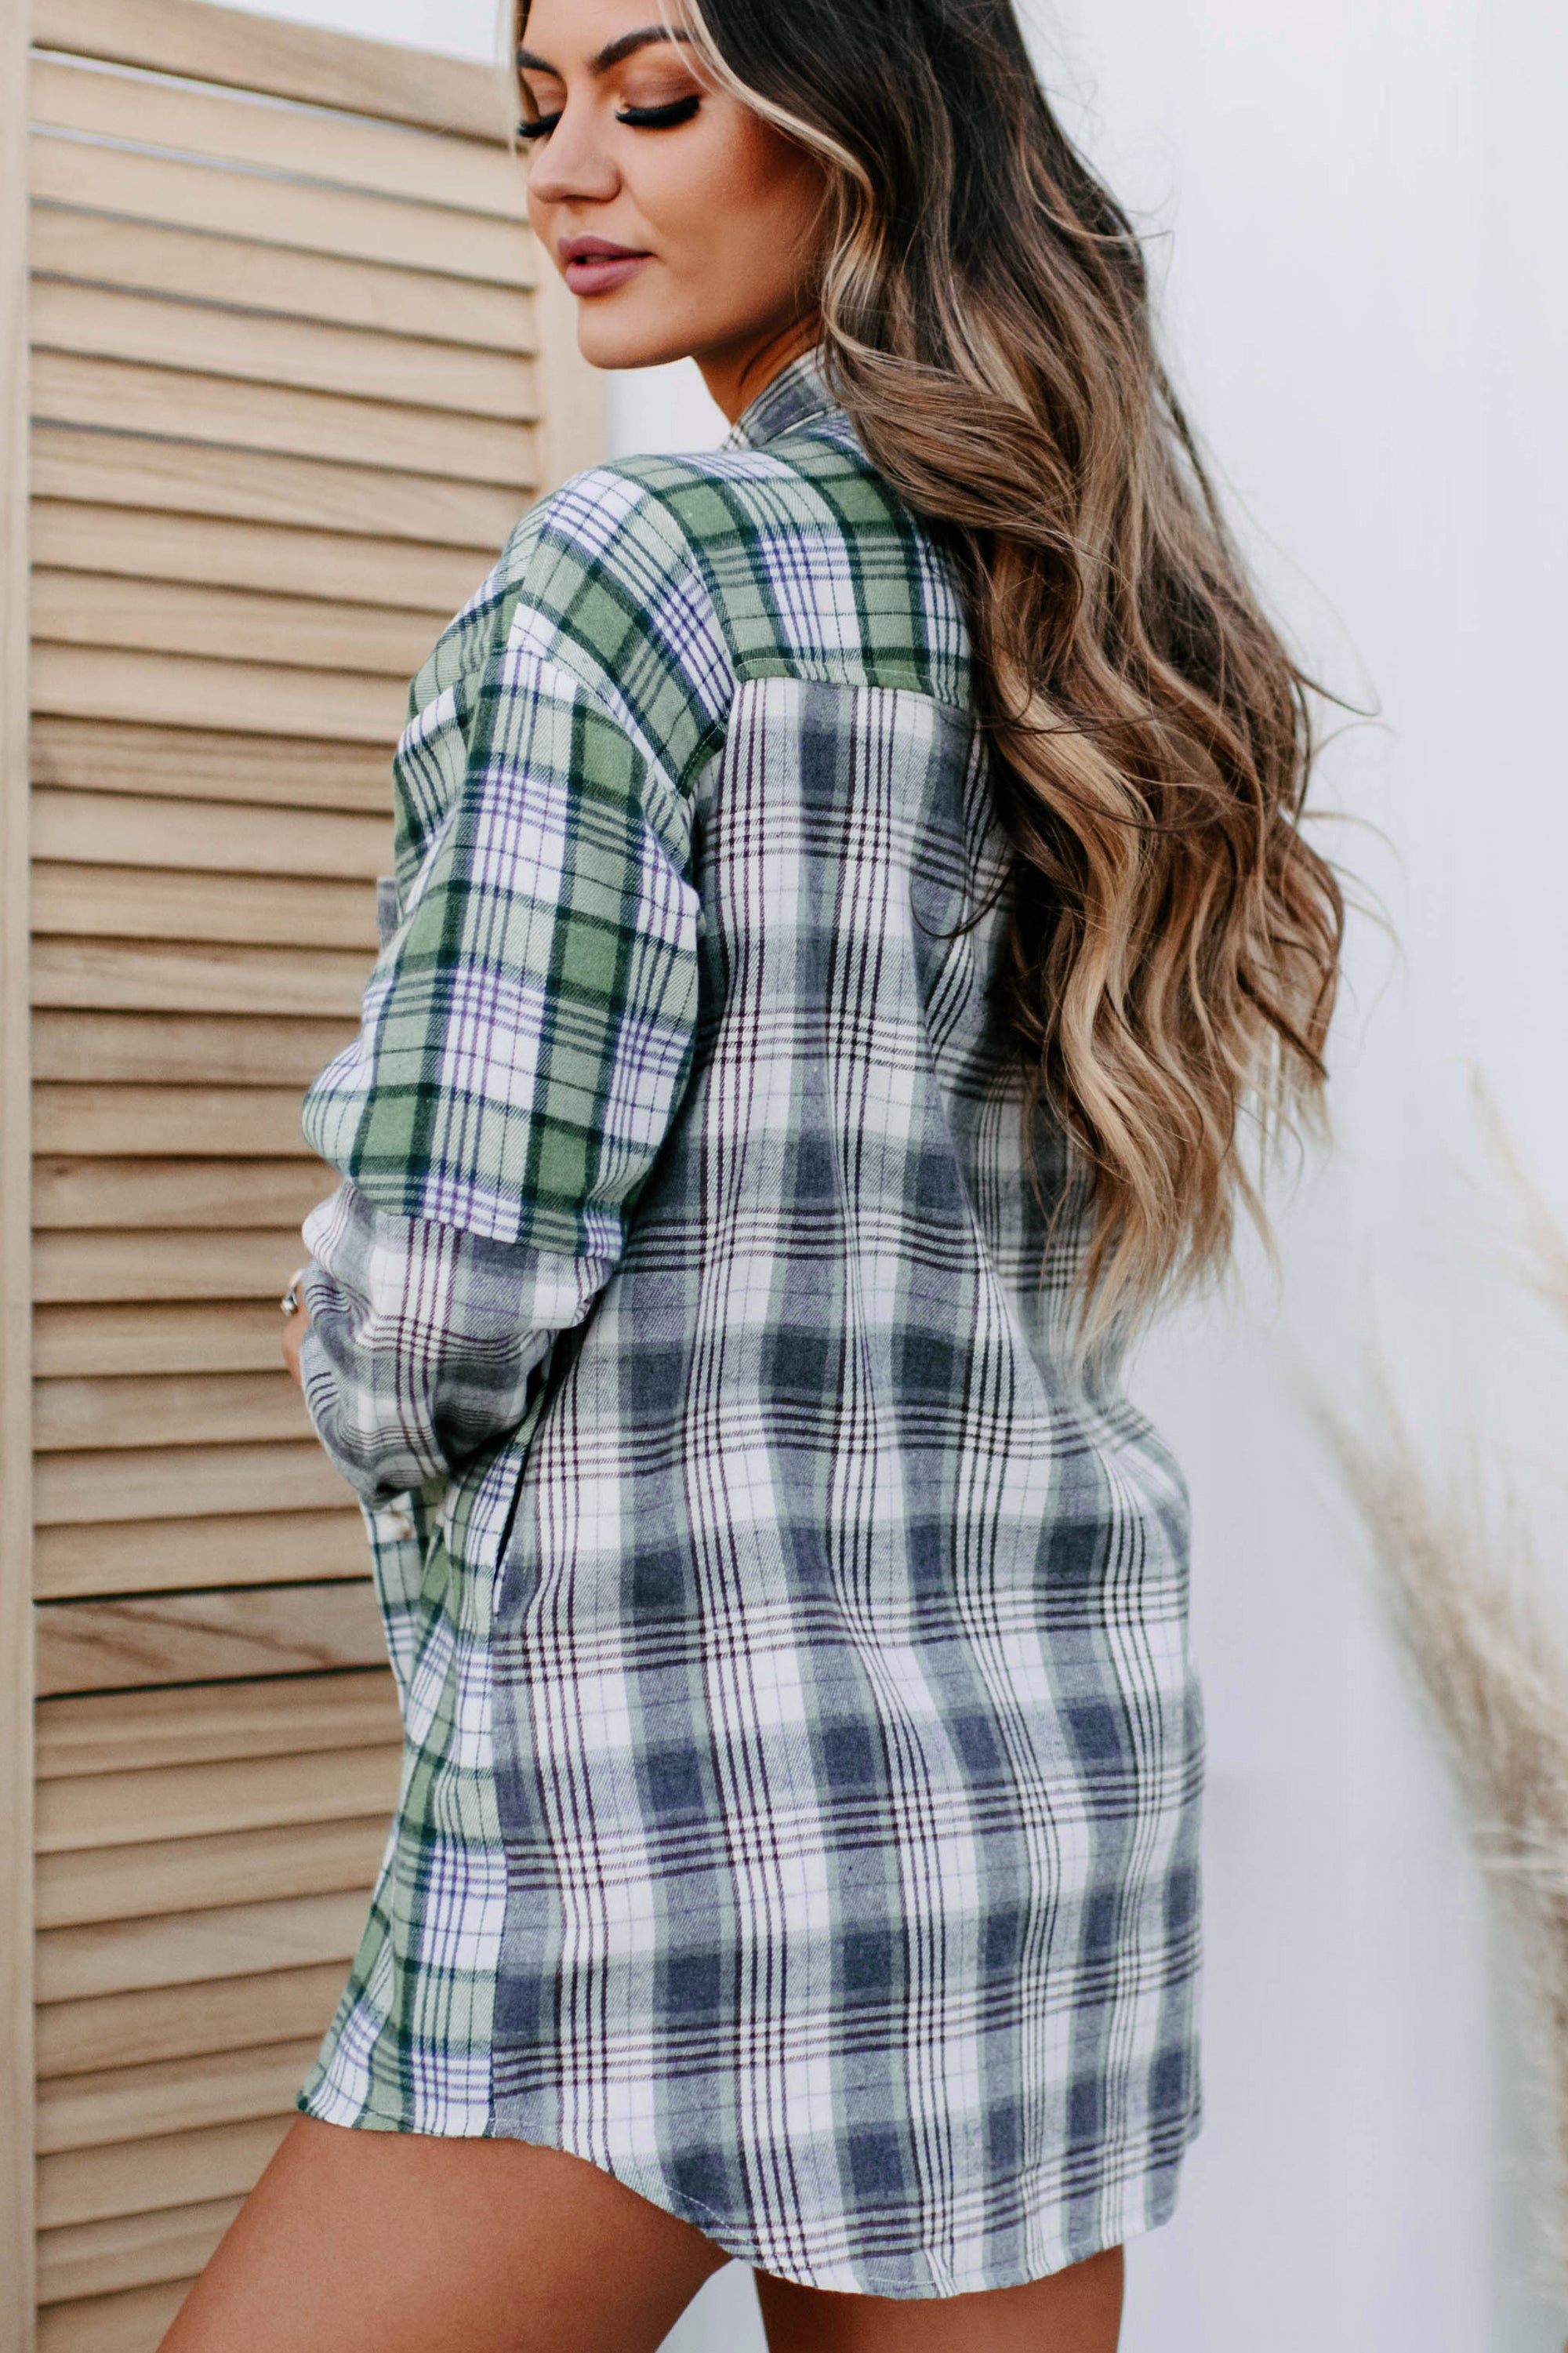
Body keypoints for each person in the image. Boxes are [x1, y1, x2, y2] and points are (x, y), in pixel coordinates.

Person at [163, 2, 1342, 2346]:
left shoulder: (631, 580)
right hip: (1027, 1799)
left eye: (653, 97)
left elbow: (439, 1307)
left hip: (660, 1820)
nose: (566, 169)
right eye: (537, 109)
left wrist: (337, 1317)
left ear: (858, 115)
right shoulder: (1095, 615)